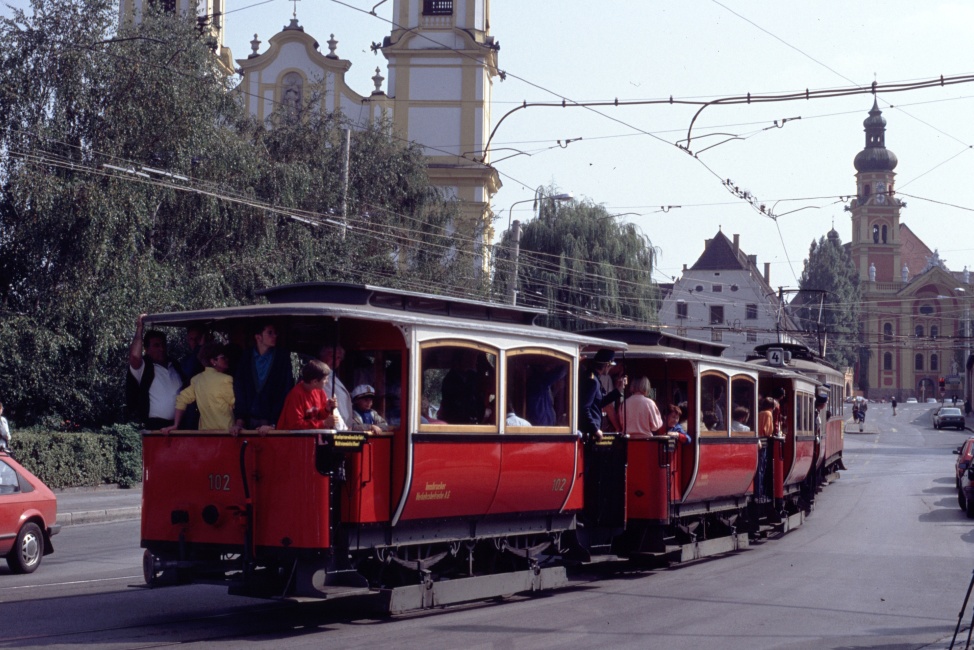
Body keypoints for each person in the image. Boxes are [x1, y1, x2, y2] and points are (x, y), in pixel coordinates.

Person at [232, 322, 294, 433]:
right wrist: (239, 421)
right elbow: (240, 389)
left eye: (275, 333)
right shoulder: (246, 357)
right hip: (248, 422)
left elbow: (285, 390)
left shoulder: (282, 357)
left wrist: (274, 423)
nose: (274, 336)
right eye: (270, 333)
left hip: (272, 423)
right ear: (258, 337)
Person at [127, 314, 185, 430]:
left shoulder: (175, 365)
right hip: (155, 427)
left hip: (179, 425)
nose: (162, 349)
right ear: (147, 349)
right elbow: (134, 356)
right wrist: (139, 329)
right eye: (156, 345)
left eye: (163, 344)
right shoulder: (144, 368)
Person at [161, 342, 234, 434]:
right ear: (213, 361)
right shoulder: (226, 379)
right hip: (226, 434)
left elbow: (182, 399)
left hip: (204, 434)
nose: (227, 359)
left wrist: (176, 425)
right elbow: (237, 405)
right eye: (223, 357)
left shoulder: (196, 379)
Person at [277, 360, 344, 431]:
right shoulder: (296, 395)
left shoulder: (320, 391)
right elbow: (295, 425)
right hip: (292, 440)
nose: (327, 382)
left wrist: (327, 409)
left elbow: (318, 416)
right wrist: (323, 423)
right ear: (314, 381)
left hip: (309, 439)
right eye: (325, 379)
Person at [578, 349, 624, 440]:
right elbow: (584, 408)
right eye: (610, 366)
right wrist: (594, 429)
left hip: (590, 430)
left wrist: (618, 390)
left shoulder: (594, 378)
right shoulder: (592, 381)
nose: (610, 369)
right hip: (588, 432)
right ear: (607, 365)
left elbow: (600, 402)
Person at [319, 344, 353, 426]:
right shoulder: (318, 376)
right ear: (323, 356)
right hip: (329, 426)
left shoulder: (333, 376)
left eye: (338, 358)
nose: (335, 361)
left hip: (342, 426)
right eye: (332, 356)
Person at [756, 397, 776, 501]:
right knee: (762, 468)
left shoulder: (760, 413)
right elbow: (768, 430)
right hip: (764, 443)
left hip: (758, 442)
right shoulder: (768, 414)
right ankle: (760, 492)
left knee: (759, 468)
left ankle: (758, 491)